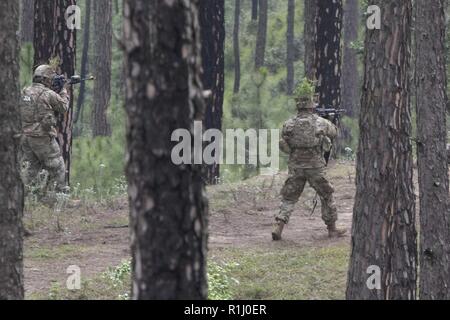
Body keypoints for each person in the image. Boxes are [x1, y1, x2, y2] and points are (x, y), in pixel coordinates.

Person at [272, 80, 346, 240]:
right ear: (312, 102)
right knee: (326, 194)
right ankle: (332, 229)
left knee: (289, 197)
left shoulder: (288, 124)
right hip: (315, 167)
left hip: (296, 167)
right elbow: (334, 132)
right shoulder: (321, 122)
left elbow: (285, 143)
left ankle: (279, 226)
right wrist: (329, 120)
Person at [19, 64, 69, 204]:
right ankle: (59, 200)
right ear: (47, 80)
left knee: (30, 171)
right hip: (42, 138)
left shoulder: (25, 91)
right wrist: (64, 90)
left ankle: (27, 201)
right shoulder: (48, 94)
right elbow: (63, 106)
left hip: (25, 137)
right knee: (57, 167)